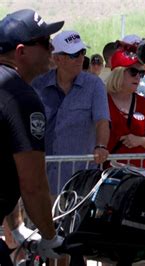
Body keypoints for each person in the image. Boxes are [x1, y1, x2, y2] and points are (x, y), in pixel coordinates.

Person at [0, 9, 65, 264]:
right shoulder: (20, 97)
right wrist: (50, 237)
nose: (51, 49)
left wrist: (16, 226)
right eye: (43, 43)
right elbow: (33, 184)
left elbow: (6, 167)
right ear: (21, 51)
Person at [32, 30, 110, 195]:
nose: (81, 58)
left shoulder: (95, 85)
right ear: (57, 58)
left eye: (82, 52)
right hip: (41, 178)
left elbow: (102, 120)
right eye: (74, 54)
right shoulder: (38, 84)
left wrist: (101, 146)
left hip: (80, 181)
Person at [106, 49, 145, 168]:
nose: (138, 77)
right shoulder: (101, 101)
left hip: (142, 177)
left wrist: (140, 140)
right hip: (109, 175)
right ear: (118, 72)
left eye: (141, 73)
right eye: (133, 71)